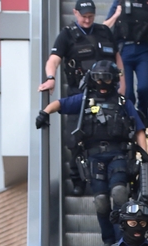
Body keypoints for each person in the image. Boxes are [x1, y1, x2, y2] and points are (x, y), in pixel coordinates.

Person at [36, 61, 148, 246]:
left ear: (114, 80)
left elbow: (139, 130)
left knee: (120, 194)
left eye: (107, 79)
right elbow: (59, 104)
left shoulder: (122, 103)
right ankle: (108, 240)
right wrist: (44, 113)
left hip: (118, 154)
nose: (102, 83)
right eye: (98, 78)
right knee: (101, 201)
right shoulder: (84, 100)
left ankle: (122, 239)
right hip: (94, 157)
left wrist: (144, 157)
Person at [39, 0, 125, 196]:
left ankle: (115, 178)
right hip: (80, 94)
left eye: (91, 16)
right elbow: (53, 60)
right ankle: (78, 180)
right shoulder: (67, 35)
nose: (87, 20)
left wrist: (123, 84)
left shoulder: (104, 31)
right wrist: (51, 78)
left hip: (108, 95)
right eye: (84, 16)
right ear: (75, 13)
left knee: (113, 133)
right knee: (75, 138)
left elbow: (117, 58)